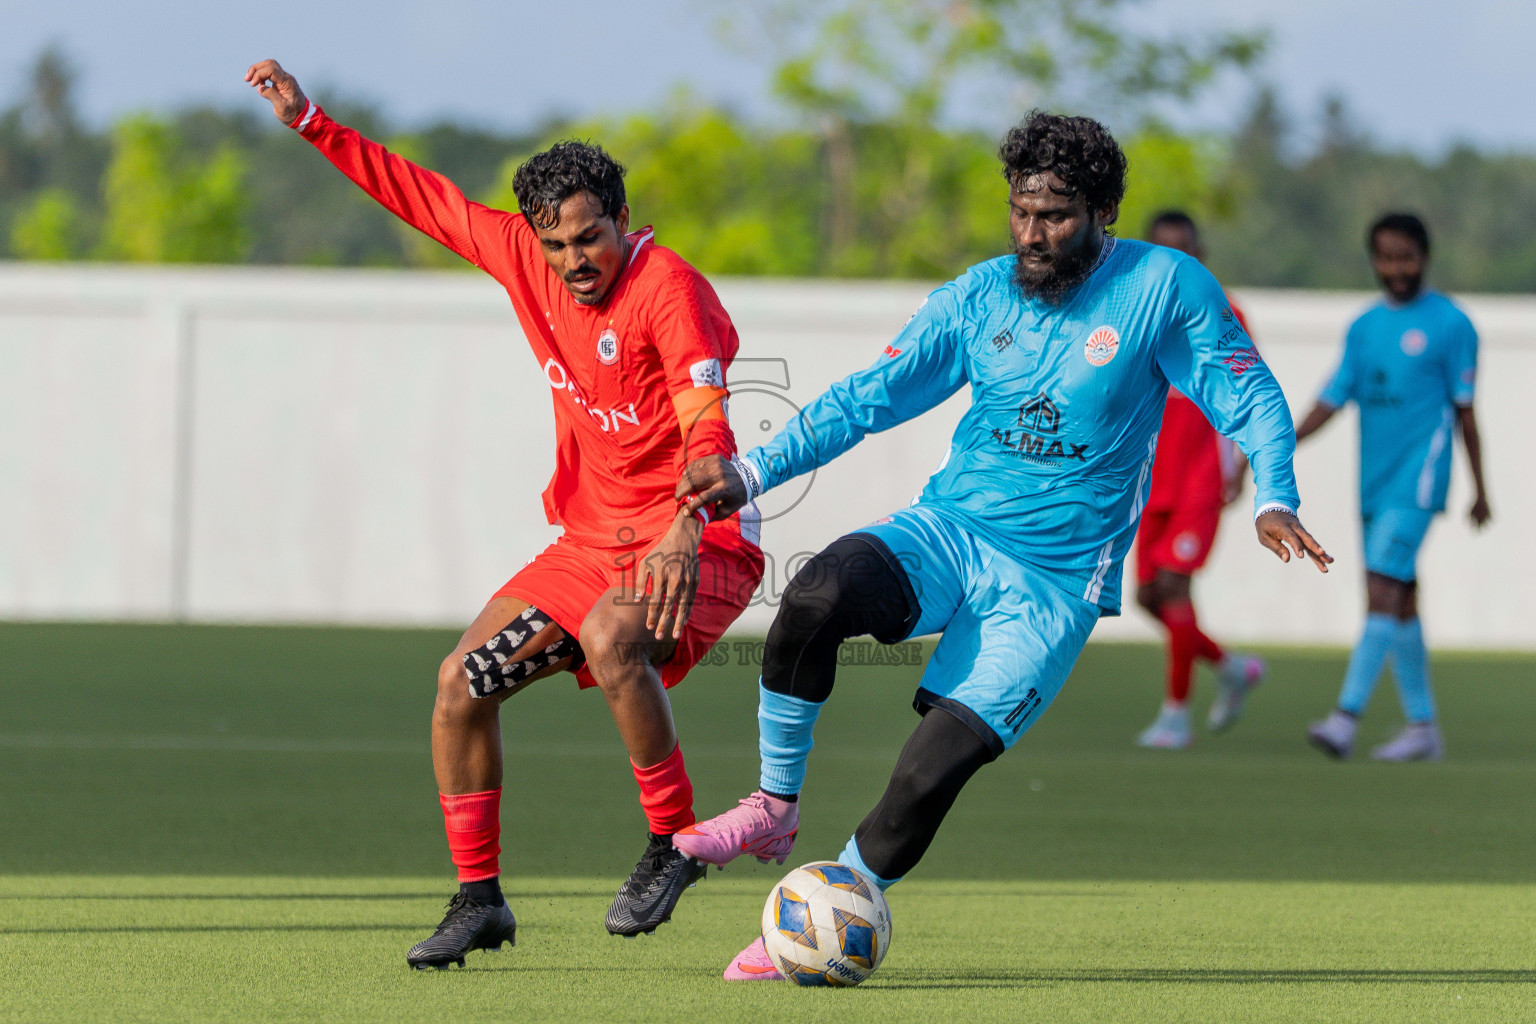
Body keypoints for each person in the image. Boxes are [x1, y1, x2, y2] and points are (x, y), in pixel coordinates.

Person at [669, 111, 1331, 981]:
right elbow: (868, 396)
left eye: (1055, 215)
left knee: (926, 776)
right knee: (816, 595)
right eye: (1020, 212)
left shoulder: (1166, 288)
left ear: (1105, 212)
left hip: (1051, 586)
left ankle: (830, 908)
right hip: (950, 530)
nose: (1032, 233)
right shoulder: (980, 295)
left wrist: (1274, 494)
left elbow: (1251, 397)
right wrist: (752, 472)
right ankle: (774, 806)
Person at [244, 60, 765, 966]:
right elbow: (421, 197)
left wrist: (690, 518)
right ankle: (480, 900)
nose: (574, 262)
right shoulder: (526, 257)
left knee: (612, 638)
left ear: (622, 222)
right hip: (594, 539)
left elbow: (705, 423)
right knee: (459, 685)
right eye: (557, 245)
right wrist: (312, 122)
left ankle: (672, 842)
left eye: (591, 238)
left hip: (701, 533)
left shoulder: (668, 290)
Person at [1298, 213, 1490, 762]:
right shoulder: (1363, 327)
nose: (1396, 268)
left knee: (1382, 591)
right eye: (1386, 257)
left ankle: (1345, 717)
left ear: (1425, 257)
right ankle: (1423, 729)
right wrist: (1277, 444)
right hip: (1373, 483)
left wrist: (1480, 488)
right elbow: (1332, 399)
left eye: (1406, 256)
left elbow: (1466, 414)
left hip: (1419, 482)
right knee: (1398, 602)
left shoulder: (1453, 324)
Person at [1133, 211, 1266, 749]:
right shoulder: (1133, 313)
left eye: (1184, 251)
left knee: (1173, 585)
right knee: (1145, 595)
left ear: (1200, 254)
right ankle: (1230, 668)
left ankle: (1175, 714)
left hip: (1199, 475)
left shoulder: (1225, 314)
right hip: (1147, 476)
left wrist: (1243, 469)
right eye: (1163, 252)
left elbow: (1252, 395)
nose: (1175, 263)